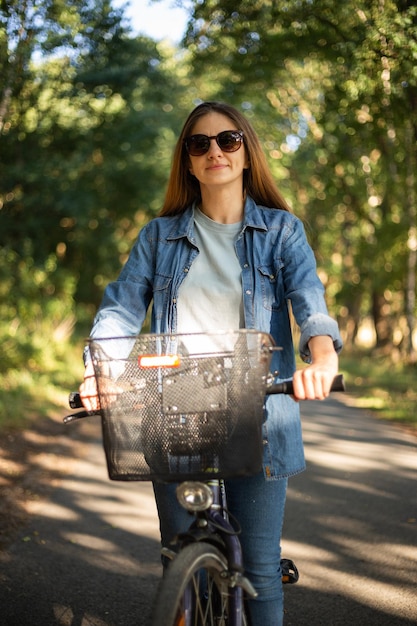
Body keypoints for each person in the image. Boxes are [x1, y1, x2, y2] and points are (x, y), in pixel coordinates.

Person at [80, 101, 342, 625]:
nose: (214, 151)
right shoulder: (158, 237)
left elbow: (309, 300)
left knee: (262, 573)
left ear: (247, 152)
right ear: (188, 161)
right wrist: (98, 368)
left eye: (228, 140)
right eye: (199, 143)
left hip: (259, 414)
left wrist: (322, 355)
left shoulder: (283, 231)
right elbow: (121, 308)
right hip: (172, 411)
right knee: (182, 564)